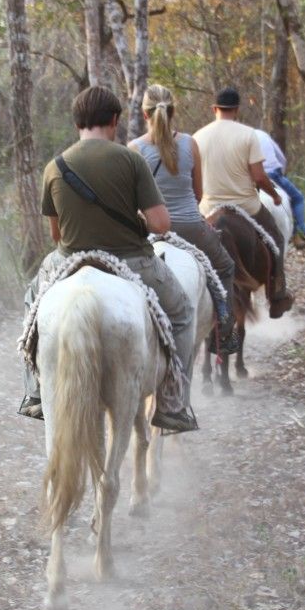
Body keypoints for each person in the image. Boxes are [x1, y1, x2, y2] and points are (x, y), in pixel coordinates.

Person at [18, 86, 199, 433]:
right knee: (183, 313)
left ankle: (35, 393)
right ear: (114, 120)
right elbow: (161, 224)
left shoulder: (54, 168)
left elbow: (56, 235)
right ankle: (174, 404)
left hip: (69, 261)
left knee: (31, 306)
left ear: (77, 122)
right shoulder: (130, 159)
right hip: (132, 261)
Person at [127, 84, 240, 355]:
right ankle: (223, 333)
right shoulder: (190, 144)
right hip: (192, 227)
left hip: (150, 231)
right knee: (225, 268)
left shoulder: (134, 149)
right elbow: (199, 193)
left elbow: (131, 202)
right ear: (174, 112)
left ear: (144, 115)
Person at [193, 87, 294, 318]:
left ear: (214, 109)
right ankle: (277, 297)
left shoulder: (197, 137)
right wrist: (275, 195)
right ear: (237, 109)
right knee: (276, 239)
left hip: (209, 208)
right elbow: (259, 176)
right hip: (246, 206)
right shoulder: (248, 134)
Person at [253, 128, 305, 243]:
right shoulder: (263, 135)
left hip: (252, 177)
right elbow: (281, 158)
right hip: (272, 174)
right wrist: (282, 173)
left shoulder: (242, 139)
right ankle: (300, 233)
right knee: (297, 198)